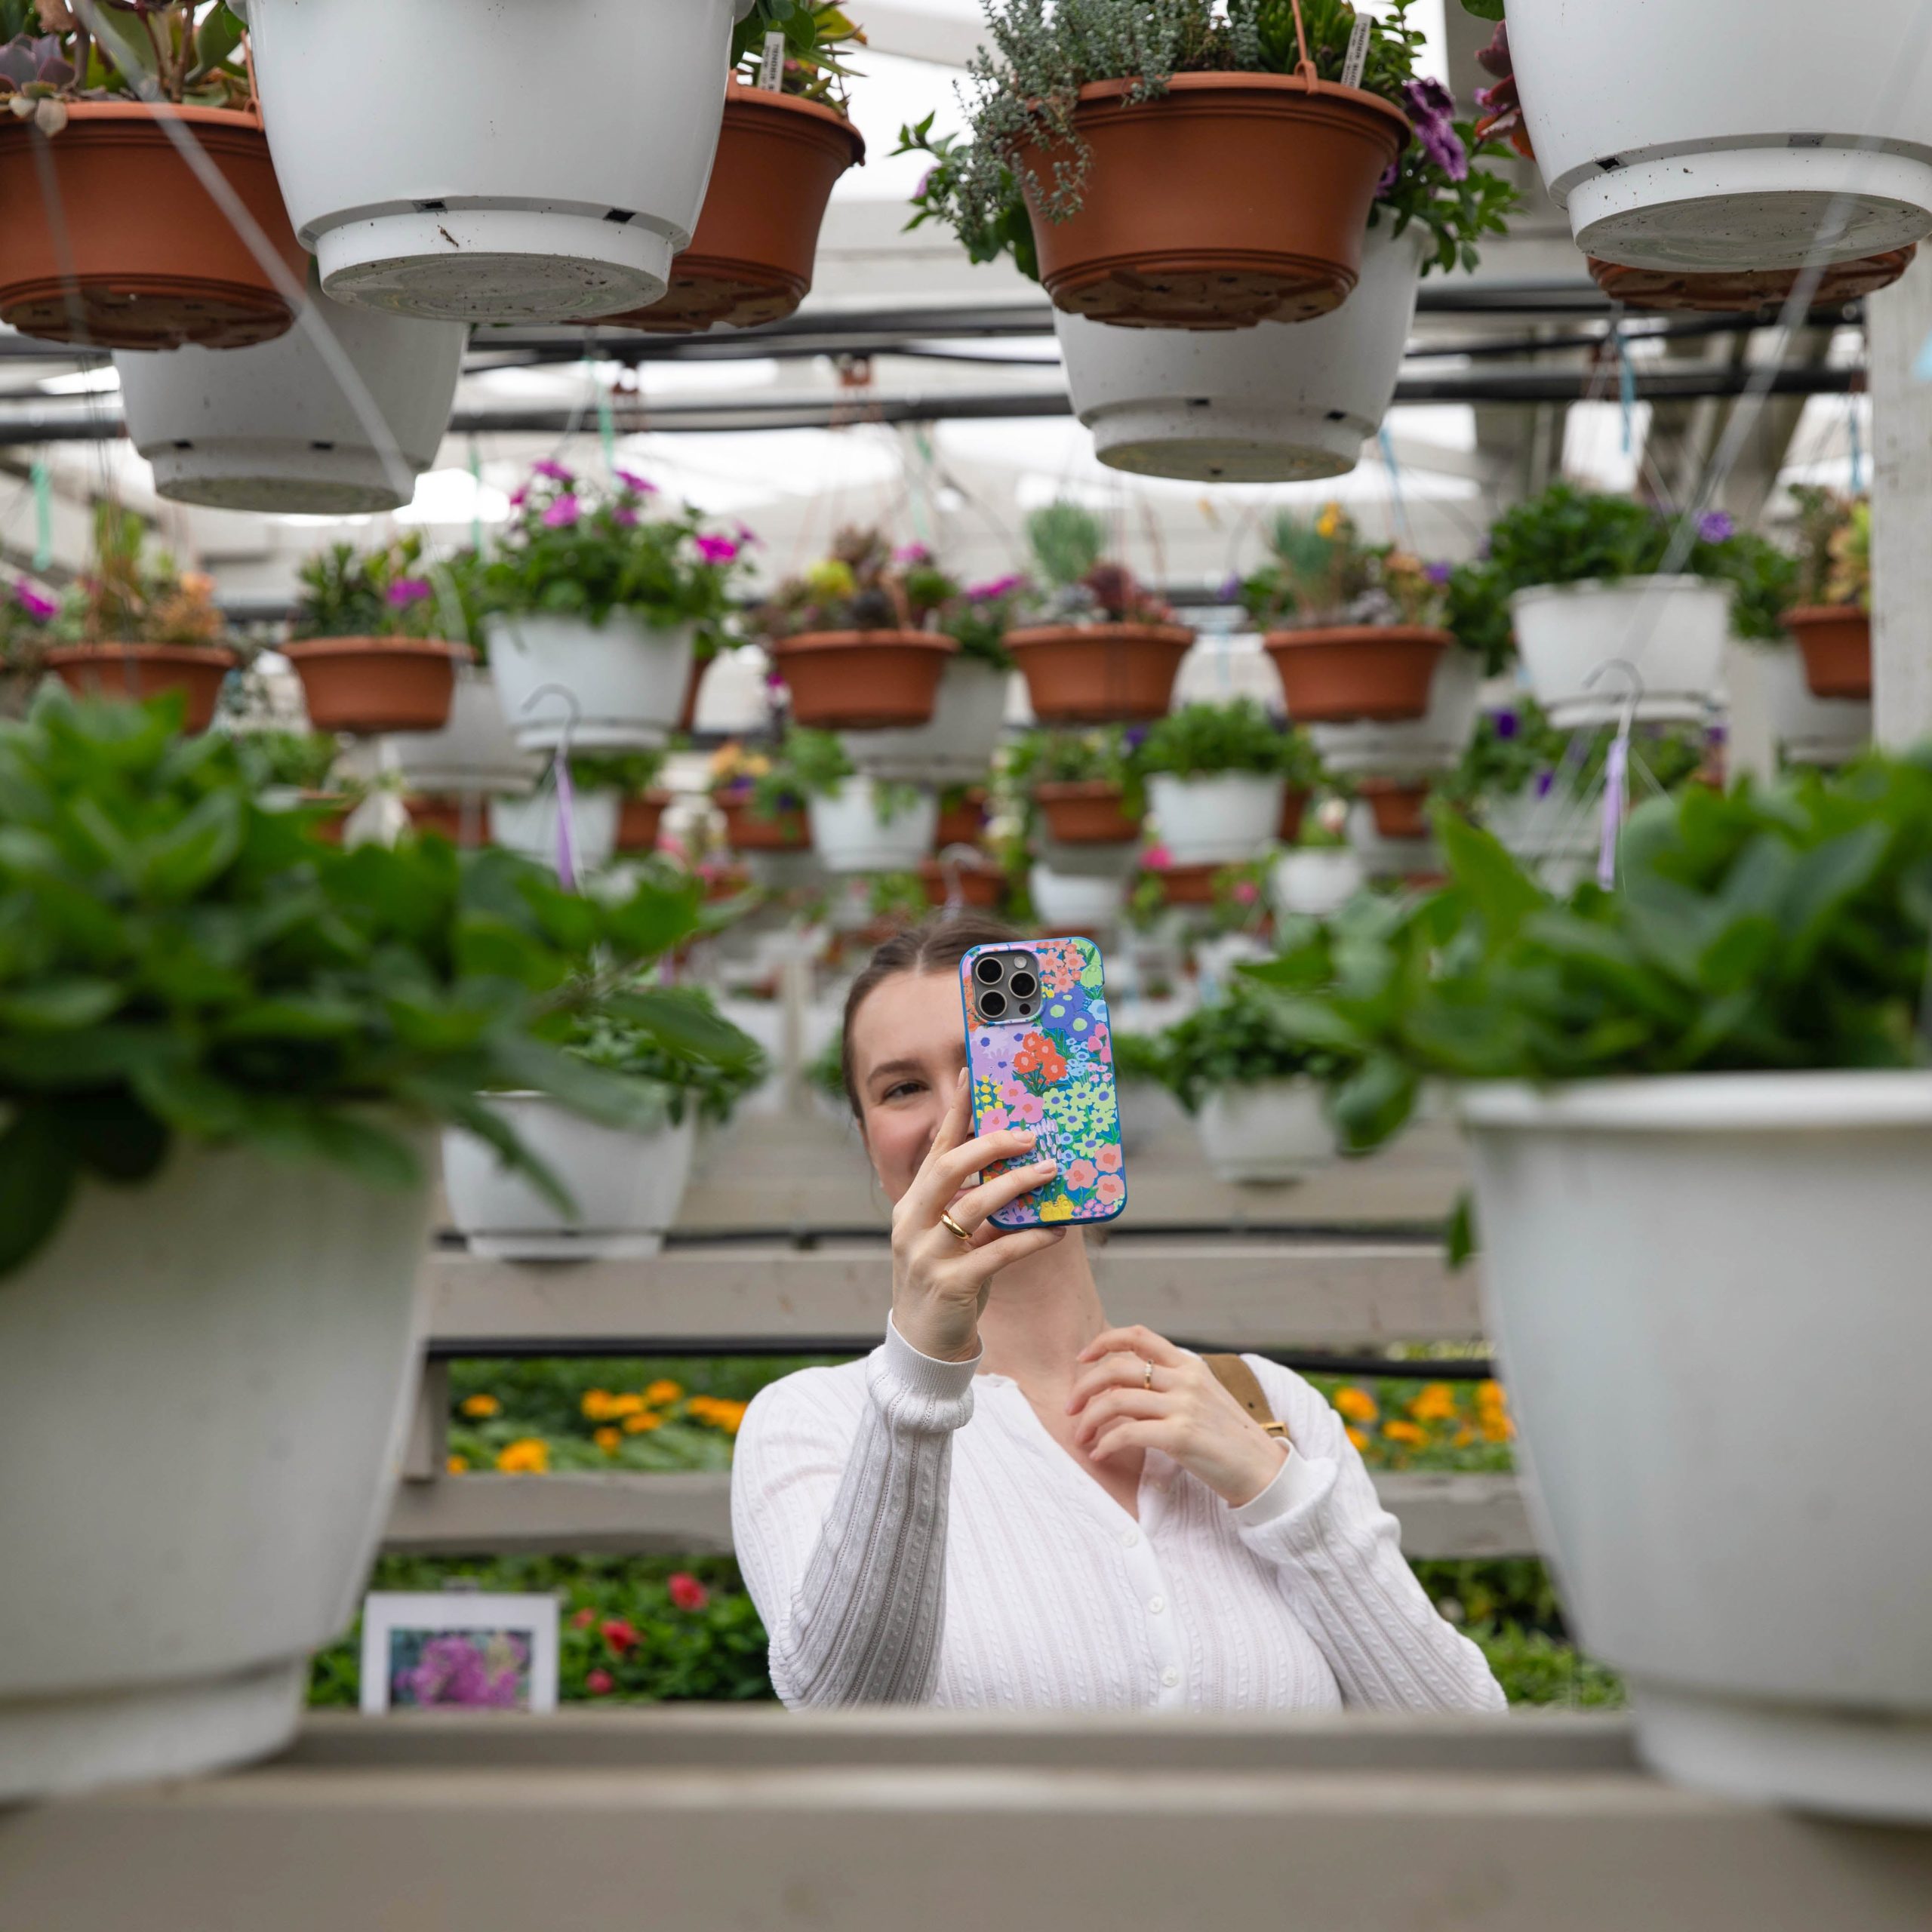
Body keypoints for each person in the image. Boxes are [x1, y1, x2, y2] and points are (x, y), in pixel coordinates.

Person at [731, 915, 1505, 1713]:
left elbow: (1468, 1741)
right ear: (867, 1142)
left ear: (1084, 1083)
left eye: (987, 1063)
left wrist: (1272, 1491)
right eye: (901, 1088)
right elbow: (846, 1709)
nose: (954, 1117)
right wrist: (921, 1377)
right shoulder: (811, 1422)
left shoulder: (1261, 1406)